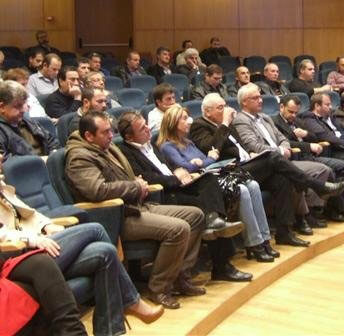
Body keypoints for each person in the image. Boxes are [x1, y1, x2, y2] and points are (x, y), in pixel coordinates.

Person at [0, 162, 164, 335]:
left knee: (105, 253)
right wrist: (31, 239)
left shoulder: (3, 187)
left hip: (39, 240)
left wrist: (46, 225)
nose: (2, 157)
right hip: (20, 252)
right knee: (96, 229)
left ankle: (109, 331)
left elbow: (30, 213)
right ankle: (131, 301)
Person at [65, 111, 206, 309]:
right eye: (105, 132)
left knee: (196, 215)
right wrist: (135, 186)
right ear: (89, 136)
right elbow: (97, 190)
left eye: (110, 131)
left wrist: (136, 183)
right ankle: (159, 288)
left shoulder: (106, 148)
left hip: (137, 205)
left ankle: (179, 276)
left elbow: (121, 180)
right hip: (117, 217)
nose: (111, 136)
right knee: (178, 229)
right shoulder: (79, 158)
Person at [117, 110, 254, 277]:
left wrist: (179, 171)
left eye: (146, 124)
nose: (147, 128)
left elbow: (167, 166)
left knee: (209, 179)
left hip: (178, 185)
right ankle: (222, 264)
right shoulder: (125, 151)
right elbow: (146, 177)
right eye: (142, 128)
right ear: (129, 136)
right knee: (204, 205)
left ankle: (214, 220)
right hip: (163, 194)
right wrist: (176, 178)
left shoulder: (151, 144)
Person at [231, 83, 344, 245]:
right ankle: (316, 189)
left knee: (285, 179)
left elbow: (283, 139)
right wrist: (281, 151)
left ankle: (284, 233)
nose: (261, 100)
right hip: (260, 166)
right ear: (244, 102)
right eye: (255, 98)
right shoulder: (240, 121)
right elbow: (255, 147)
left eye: (260, 96)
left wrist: (284, 149)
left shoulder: (265, 117)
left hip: (279, 163)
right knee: (275, 158)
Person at [158, 101, 274, 262]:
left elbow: (207, 160)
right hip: (201, 186)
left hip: (212, 177)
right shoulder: (167, 146)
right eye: (184, 118)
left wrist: (203, 161)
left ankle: (265, 239)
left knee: (253, 185)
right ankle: (254, 244)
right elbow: (192, 165)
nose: (189, 121)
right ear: (173, 123)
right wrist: (206, 160)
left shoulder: (189, 143)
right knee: (242, 190)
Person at [189, 93, 303, 249]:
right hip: (231, 171)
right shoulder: (199, 125)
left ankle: (284, 233)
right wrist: (224, 123)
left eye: (225, 106)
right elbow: (211, 148)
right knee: (272, 157)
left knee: (281, 179)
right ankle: (308, 182)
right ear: (208, 112)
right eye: (220, 107)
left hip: (247, 164)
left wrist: (251, 153)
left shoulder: (228, 124)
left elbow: (241, 145)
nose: (226, 110)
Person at [273, 94, 344, 222]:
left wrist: (305, 134)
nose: (293, 115)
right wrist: (308, 146)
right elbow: (285, 144)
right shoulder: (275, 122)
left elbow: (315, 137)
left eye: (296, 112)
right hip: (295, 159)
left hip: (310, 157)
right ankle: (339, 209)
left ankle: (335, 208)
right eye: (290, 112)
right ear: (282, 107)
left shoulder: (297, 120)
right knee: (328, 171)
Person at [0, 80, 59, 160]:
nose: (23, 110)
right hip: (28, 166)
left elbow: (52, 141)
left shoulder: (26, 120)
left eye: (24, 104)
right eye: (18, 106)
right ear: (2, 107)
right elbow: (5, 161)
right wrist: (40, 161)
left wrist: (54, 155)